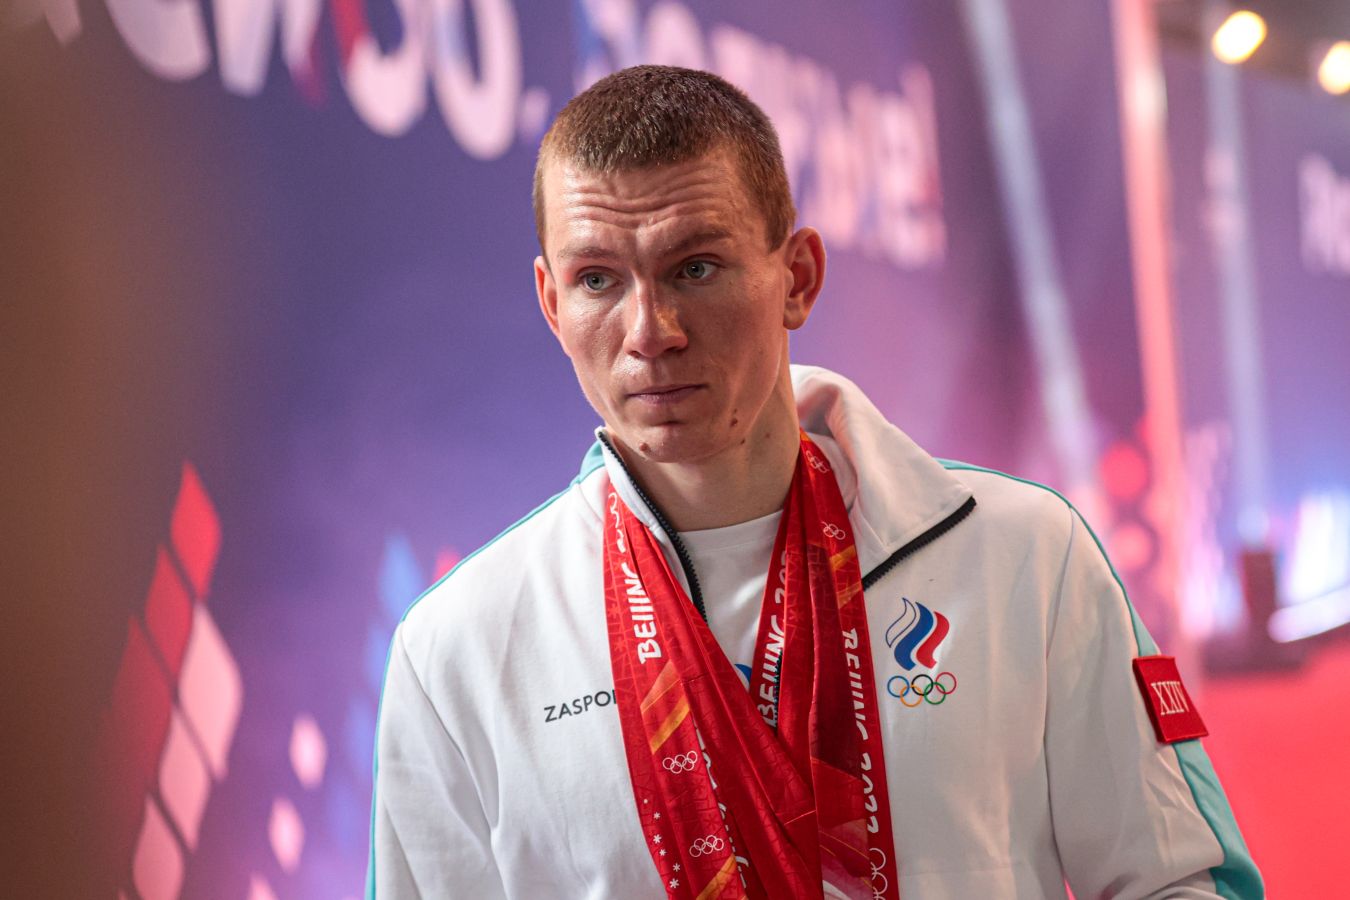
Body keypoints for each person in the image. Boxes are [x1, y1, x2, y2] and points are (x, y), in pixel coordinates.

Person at [368, 65, 1261, 899]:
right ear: (552, 305)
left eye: (696, 268)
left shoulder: (1027, 554)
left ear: (797, 278)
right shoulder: (458, 650)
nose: (651, 332)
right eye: (598, 279)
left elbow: (1178, 879)